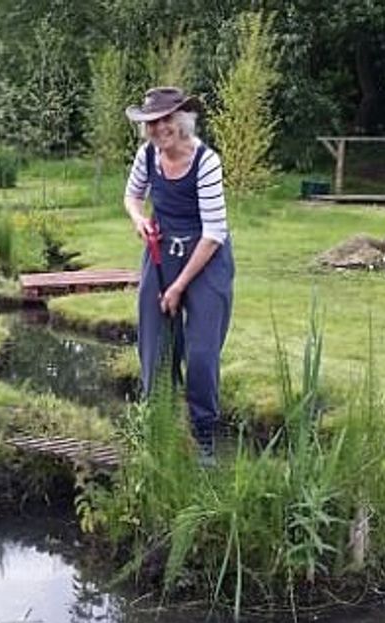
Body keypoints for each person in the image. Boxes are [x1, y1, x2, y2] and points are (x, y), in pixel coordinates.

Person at [123, 86, 235, 463]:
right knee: (154, 345)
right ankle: (158, 428)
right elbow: (132, 196)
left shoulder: (206, 161)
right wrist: (140, 220)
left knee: (202, 352)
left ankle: (203, 437)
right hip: (161, 250)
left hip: (206, 257)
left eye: (166, 120)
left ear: (183, 120)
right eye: (152, 123)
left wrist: (178, 287)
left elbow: (214, 233)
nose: (159, 129)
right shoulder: (146, 156)